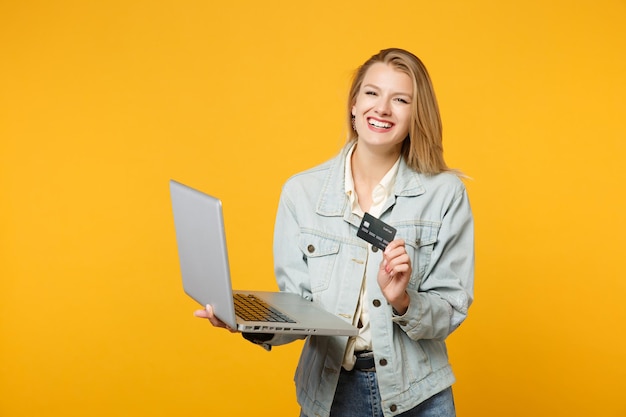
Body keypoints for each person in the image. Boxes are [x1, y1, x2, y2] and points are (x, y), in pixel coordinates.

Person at [194, 48, 474, 417]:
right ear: (354, 104)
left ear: (415, 114)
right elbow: (299, 307)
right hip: (331, 394)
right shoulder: (301, 192)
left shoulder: (444, 195)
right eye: (372, 93)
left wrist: (403, 301)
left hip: (418, 396)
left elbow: (450, 310)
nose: (383, 109)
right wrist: (247, 322)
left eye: (401, 99)